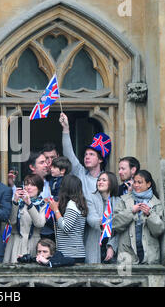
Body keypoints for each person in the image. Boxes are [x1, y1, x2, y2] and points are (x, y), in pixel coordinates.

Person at [59, 112, 112, 263]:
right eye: (85, 155)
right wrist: (65, 130)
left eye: (91, 154)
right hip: (79, 229)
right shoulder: (80, 173)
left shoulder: (107, 179)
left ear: (100, 159)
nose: (86, 157)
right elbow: (69, 154)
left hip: (99, 230)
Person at [113, 170, 165, 264]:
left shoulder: (156, 203)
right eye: (135, 182)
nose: (136, 185)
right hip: (127, 255)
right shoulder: (124, 200)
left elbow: (159, 231)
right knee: (126, 278)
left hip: (150, 255)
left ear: (148, 184)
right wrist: (131, 211)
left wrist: (150, 214)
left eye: (139, 182)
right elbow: (115, 224)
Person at [3, 174, 46, 263]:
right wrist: (15, 201)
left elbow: (40, 223)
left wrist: (29, 204)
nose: (28, 187)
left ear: (39, 188)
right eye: (26, 184)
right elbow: (12, 222)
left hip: (33, 243)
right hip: (15, 242)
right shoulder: (17, 202)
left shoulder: (42, 204)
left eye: (32, 185)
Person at [48, 175, 88, 263]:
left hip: (71, 254)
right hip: (73, 253)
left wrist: (55, 210)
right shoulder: (77, 203)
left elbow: (65, 227)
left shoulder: (72, 204)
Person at [88, 171, 121, 264]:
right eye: (99, 180)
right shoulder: (90, 198)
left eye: (104, 180)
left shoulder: (119, 201)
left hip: (111, 242)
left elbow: (121, 227)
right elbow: (91, 218)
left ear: (111, 183)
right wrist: (106, 220)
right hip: (95, 242)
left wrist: (112, 246)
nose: (100, 182)